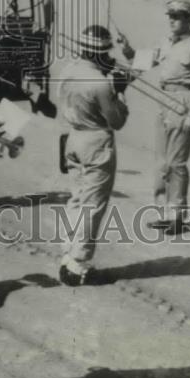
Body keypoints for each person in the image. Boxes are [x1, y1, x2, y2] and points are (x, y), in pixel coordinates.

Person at [120, 0, 190, 232]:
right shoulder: (166, 42)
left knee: (176, 163)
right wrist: (127, 49)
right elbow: (143, 62)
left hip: (183, 101)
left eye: (177, 16)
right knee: (161, 162)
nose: (172, 20)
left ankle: (178, 217)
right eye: (170, 16)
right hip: (164, 100)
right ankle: (163, 212)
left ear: (189, 19)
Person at [58, 24, 130, 285]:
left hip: (73, 137)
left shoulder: (67, 71)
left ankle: (68, 252)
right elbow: (117, 120)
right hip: (96, 141)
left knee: (76, 199)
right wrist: (120, 91)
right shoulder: (100, 83)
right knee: (93, 205)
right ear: (100, 54)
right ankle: (78, 264)